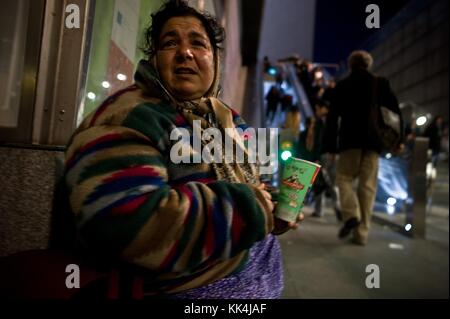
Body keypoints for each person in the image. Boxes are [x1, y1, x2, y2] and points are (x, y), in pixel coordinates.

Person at [62, 0, 301, 299]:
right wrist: (252, 210)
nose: (185, 52)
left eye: (198, 43)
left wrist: (274, 209)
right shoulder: (129, 118)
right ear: (154, 59)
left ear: (214, 59)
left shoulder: (225, 117)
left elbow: (253, 186)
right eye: (170, 42)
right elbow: (128, 225)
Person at [324, 50, 403, 245]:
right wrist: (397, 141)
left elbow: (333, 118)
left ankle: (351, 214)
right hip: (373, 142)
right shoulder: (380, 83)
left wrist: (330, 147)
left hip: (349, 141)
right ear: (368, 65)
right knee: (367, 187)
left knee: (344, 178)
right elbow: (395, 113)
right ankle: (362, 234)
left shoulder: (342, 85)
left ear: (351, 65)